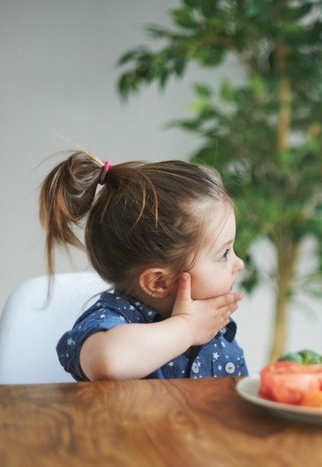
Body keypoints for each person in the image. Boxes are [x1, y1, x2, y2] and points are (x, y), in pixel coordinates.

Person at [40, 150, 248, 381]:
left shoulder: (213, 328)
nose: (238, 264)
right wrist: (186, 328)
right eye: (224, 254)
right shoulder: (114, 319)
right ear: (159, 282)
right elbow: (107, 361)